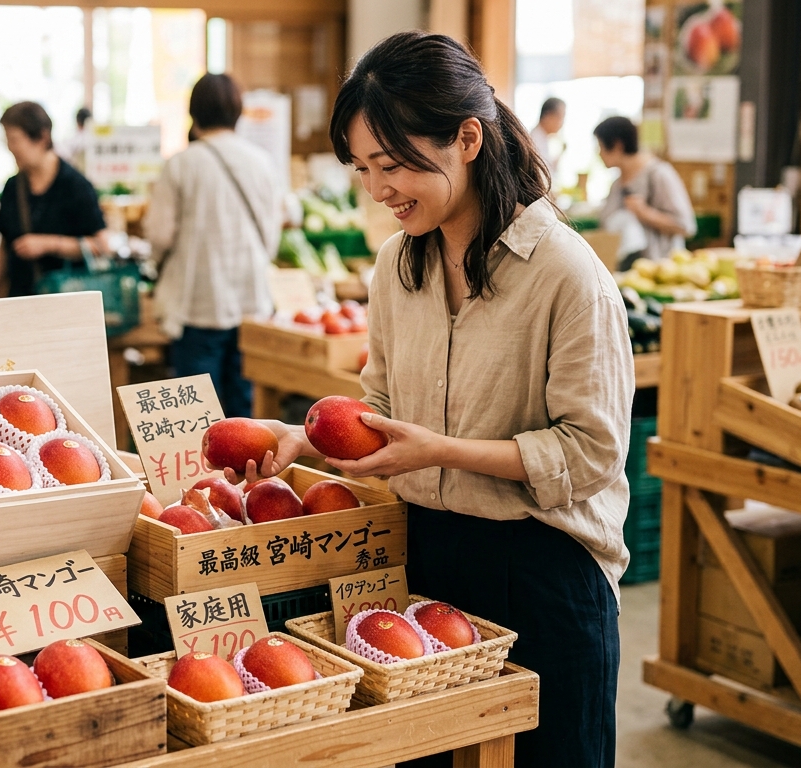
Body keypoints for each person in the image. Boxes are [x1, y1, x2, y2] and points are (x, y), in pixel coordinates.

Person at [223, 31, 632, 767]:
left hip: (545, 569)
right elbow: (380, 411)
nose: (378, 190)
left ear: (466, 138)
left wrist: (439, 451)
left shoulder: (567, 275)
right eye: (364, 169)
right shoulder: (394, 268)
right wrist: (300, 437)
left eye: (392, 165)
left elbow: (592, 454)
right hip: (424, 557)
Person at [144, 74, 281, 419]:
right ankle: (247, 473)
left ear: (196, 113)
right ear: (237, 111)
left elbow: (160, 235)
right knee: (244, 412)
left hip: (197, 303)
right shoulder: (261, 162)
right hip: (251, 300)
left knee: (197, 416)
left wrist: (158, 264)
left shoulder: (181, 164)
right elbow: (272, 233)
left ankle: (203, 475)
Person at [0, 101, 108, 298]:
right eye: (7, 140)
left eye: (15, 139)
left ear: (42, 137)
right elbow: (4, 248)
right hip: (20, 302)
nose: (11, 148)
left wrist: (49, 244)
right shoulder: (13, 187)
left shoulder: (75, 186)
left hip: (65, 302)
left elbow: (100, 246)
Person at [595, 115, 696, 268]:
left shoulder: (659, 174)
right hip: (626, 272)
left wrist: (644, 212)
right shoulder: (617, 183)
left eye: (601, 147)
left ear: (617, 145)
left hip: (660, 271)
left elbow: (686, 226)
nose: (599, 153)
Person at [530, 97, 565, 176]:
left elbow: (548, 168)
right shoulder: (534, 140)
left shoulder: (543, 138)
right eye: (560, 117)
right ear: (548, 115)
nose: (562, 123)